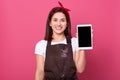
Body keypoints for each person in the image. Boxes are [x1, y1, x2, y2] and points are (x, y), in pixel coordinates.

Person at [35, 4, 86, 80]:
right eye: (55, 20)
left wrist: (82, 45)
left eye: (62, 20)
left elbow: (80, 69)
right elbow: (40, 71)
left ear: (67, 23)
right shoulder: (41, 45)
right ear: (50, 23)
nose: (58, 24)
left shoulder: (74, 42)